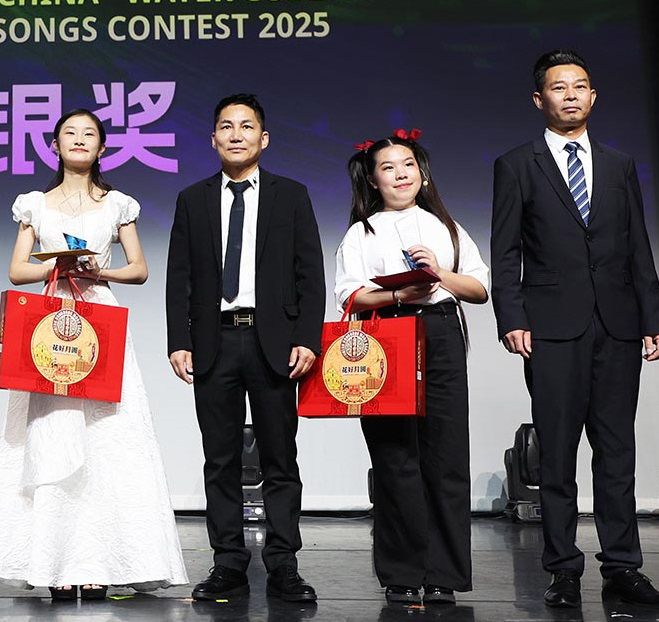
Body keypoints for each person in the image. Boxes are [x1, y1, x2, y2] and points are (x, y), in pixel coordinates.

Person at [0, 109, 187, 600]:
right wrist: (58, 267)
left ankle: (100, 563)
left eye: (89, 134)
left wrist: (97, 271)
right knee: (52, 434)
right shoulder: (35, 204)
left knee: (106, 436)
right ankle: (54, 563)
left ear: (103, 148)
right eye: (69, 133)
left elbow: (139, 269)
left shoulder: (117, 204)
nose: (79, 139)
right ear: (54, 145)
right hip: (51, 321)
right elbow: (16, 270)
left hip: (99, 318)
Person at [491, 50, 659, 608]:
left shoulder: (619, 164)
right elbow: (505, 249)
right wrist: (512, 318)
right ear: (539, 99)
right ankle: (562, 568)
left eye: (580, 86)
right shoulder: (517, 164)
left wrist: (651, 317)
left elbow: (638, 246)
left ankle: (623, 566)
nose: (571, 95)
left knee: (616, 450)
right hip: (551, 328)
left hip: (618, 325)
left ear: (593, 96)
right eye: (559, 87)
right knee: (557, 454)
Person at [166, 93, 324, 604]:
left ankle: (284, 564)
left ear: (264, 138)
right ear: (213, 138)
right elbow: (179, 277)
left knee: (280, 457)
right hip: (214, 340)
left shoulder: (291, 195)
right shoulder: (192, 199)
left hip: (272, 342)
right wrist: (179, 340)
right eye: (227, 126)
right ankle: (228, 563)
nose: (236, 134)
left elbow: (310, 272)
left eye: (247, 126)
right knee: (220, 459)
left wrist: (308, 338)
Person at [334, 131, 490, 605]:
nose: (400, 174)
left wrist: (439, 274)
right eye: (388, 167)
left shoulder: (446, 226)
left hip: (441, 333)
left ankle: (444, 573)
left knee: (446, 455)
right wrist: (400, 293)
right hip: (388, 336)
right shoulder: (362, 232)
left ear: (422, 173)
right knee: (394, 456)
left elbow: (479, 289)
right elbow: (349, 295)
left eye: (408, 165)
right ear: (372, 180)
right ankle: (402, 572)